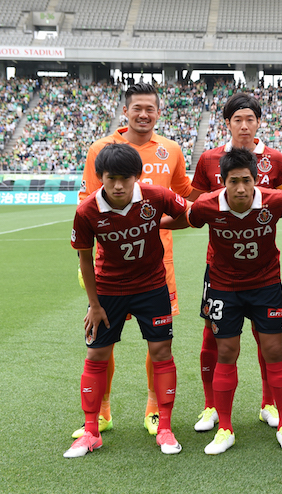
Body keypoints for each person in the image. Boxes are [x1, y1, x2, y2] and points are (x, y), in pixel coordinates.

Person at [73, 83, 201, 439]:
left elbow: (187, 195)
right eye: (137, 108)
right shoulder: (100, 149)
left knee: (158, 341)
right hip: (109, 261)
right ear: (125, 111)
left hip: (159, 263)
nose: (143, 114)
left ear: (159, 112)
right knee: (102, 338)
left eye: (150, 109)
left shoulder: (171, 149)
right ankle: (101, 413)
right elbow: (88, 202)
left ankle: (154, 412)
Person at [162, 147, 282, 453]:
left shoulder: (276, 200)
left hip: (266, 285)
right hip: (223, 286)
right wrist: (155, 223)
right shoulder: (207, 205)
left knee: (273, 351)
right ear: (223, 182)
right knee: (226, 352)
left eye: (246, 180)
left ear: (256, 179)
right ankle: (225, 428)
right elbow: (186, 218)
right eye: (233, 181)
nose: (240, 188)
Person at [191, 93, 282, 433]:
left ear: (259, 122)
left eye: (250, 119)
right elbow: (196, 202)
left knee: (267, 338)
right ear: (227, 123)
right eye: (237, 120)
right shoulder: (209, 159)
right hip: (219, 266)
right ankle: (210, 407)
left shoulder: (274, 159)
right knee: (211, 337)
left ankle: (269, 404)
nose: (244, 126)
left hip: (262, 269)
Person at [65, 143, 187, 458]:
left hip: (152, 287)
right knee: (96, 355)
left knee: (161, 351)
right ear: (100, 177)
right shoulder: (87, 210)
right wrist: (94, 305)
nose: (118, 186)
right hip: (108, 290)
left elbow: (187, 214)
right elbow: (85, 260)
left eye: (125, 178)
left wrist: (160, 224)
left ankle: (165, 428)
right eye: (110, 178)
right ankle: (91, 431)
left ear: (137, 175)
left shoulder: (156, 197)